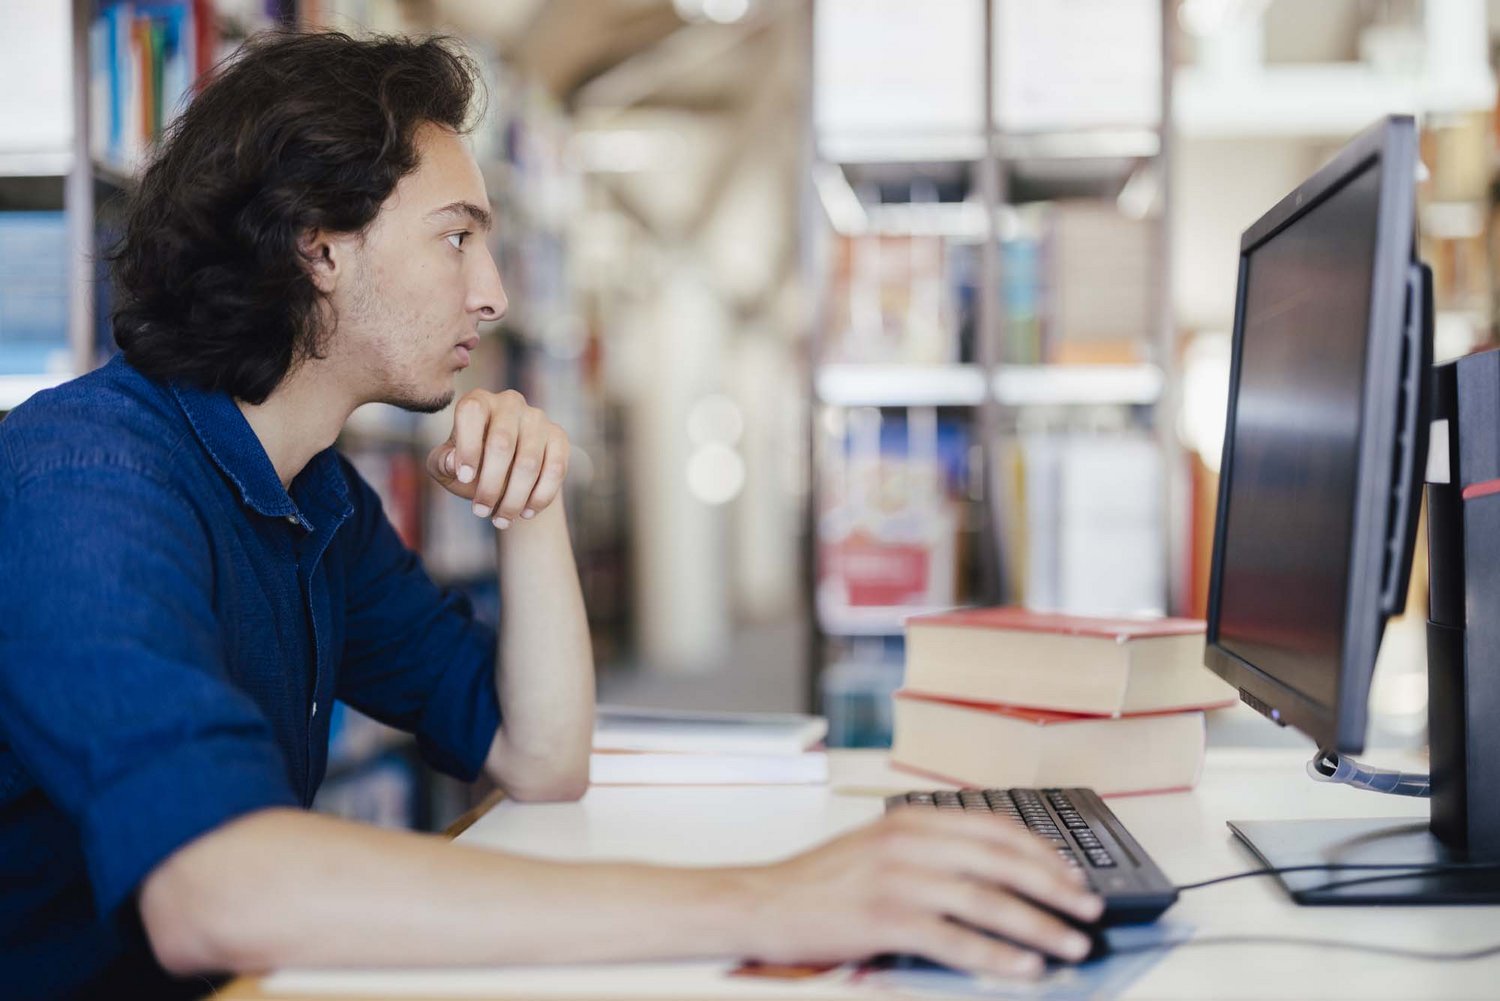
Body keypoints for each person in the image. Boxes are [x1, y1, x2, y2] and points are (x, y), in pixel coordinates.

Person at [0, 31, 1102, 998]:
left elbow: (538, 752)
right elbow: (214, 890)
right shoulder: (85, 483)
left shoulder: (314, 492)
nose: (494, 291)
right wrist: (769, 901)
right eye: (455, 236)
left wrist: (531, 507)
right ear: (319, 247)